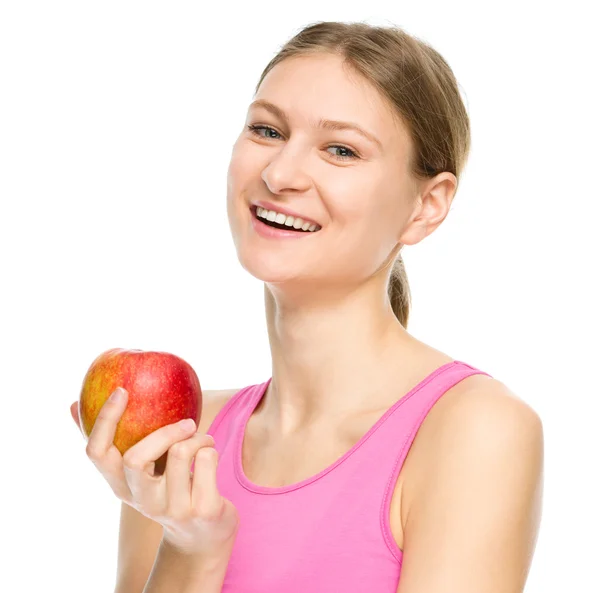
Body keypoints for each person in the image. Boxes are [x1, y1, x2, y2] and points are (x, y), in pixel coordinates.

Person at [70, 21, 544, 593]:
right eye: (267, 130)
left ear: (427, 206)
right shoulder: (182, 442)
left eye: (341, 150)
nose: (279, 174)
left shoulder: (474, 429)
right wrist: (190, 547)